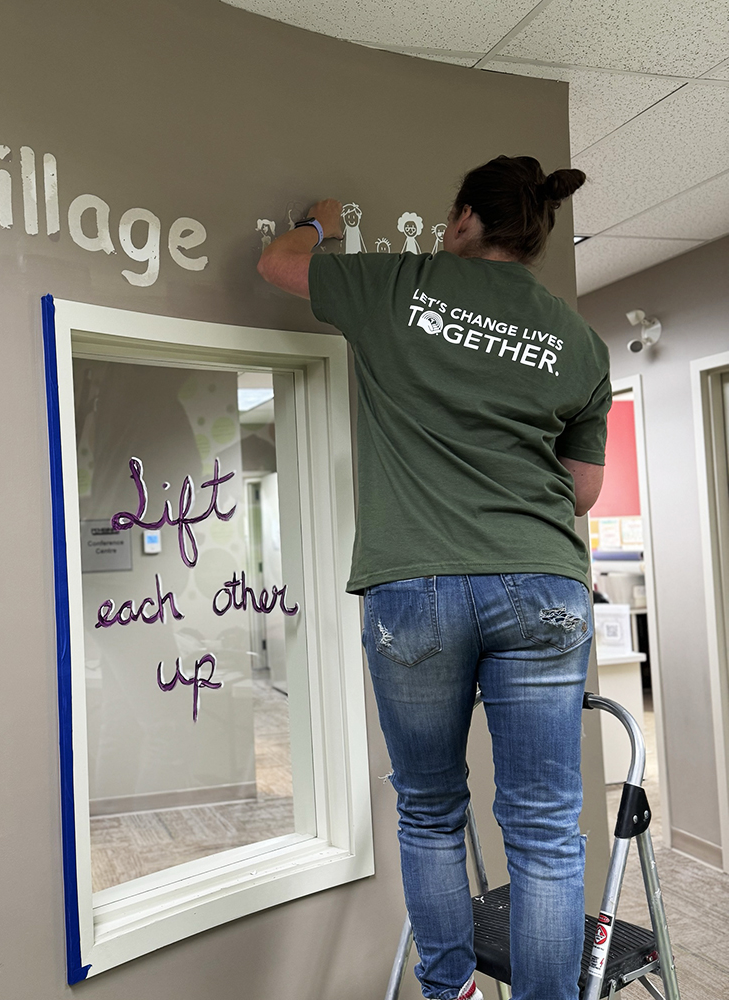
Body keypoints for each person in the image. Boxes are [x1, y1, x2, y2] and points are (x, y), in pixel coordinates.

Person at [257, 155, 609, 1000]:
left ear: (461, 222)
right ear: (534, 237)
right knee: (546, 835)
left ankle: (449, 989)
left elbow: (276, 266)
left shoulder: (400, 285)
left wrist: (323, 218)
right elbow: (582, 490)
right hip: (542, 583)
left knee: (428, 810)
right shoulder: (578, 340)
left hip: (414, 586)